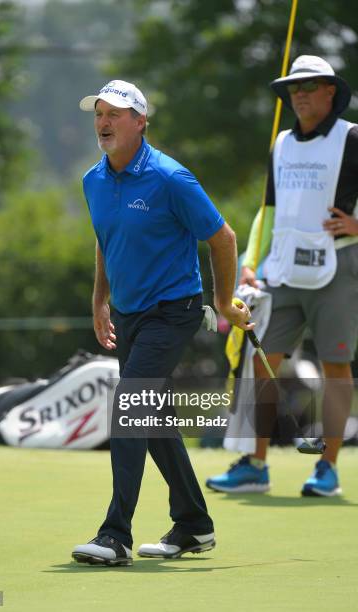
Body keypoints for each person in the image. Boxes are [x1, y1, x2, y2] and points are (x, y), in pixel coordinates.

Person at [72, 79, 252, 566]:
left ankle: (115, 535)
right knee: (151, 420)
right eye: (99, 114)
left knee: (131, 405)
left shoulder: (172, 179)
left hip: (172, 312)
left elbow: (223, 238)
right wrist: (99, 301)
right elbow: (106, 240)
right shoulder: (94, 180)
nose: (104, 123)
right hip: (128, 315)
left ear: (140, 122)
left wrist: (224, 300)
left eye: (115, 114)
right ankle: (193, 523)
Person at [206, 56, 358, 497]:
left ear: (331, 91)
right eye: (294, 89)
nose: (300, 95)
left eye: (309, 86)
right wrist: (251, 259)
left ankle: (326, 468)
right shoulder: (282, 143)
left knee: (336, 366)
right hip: (283, 269)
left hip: (339, 267)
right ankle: (255, 464)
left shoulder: (352, 138)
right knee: (261, 361)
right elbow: (268, 211)